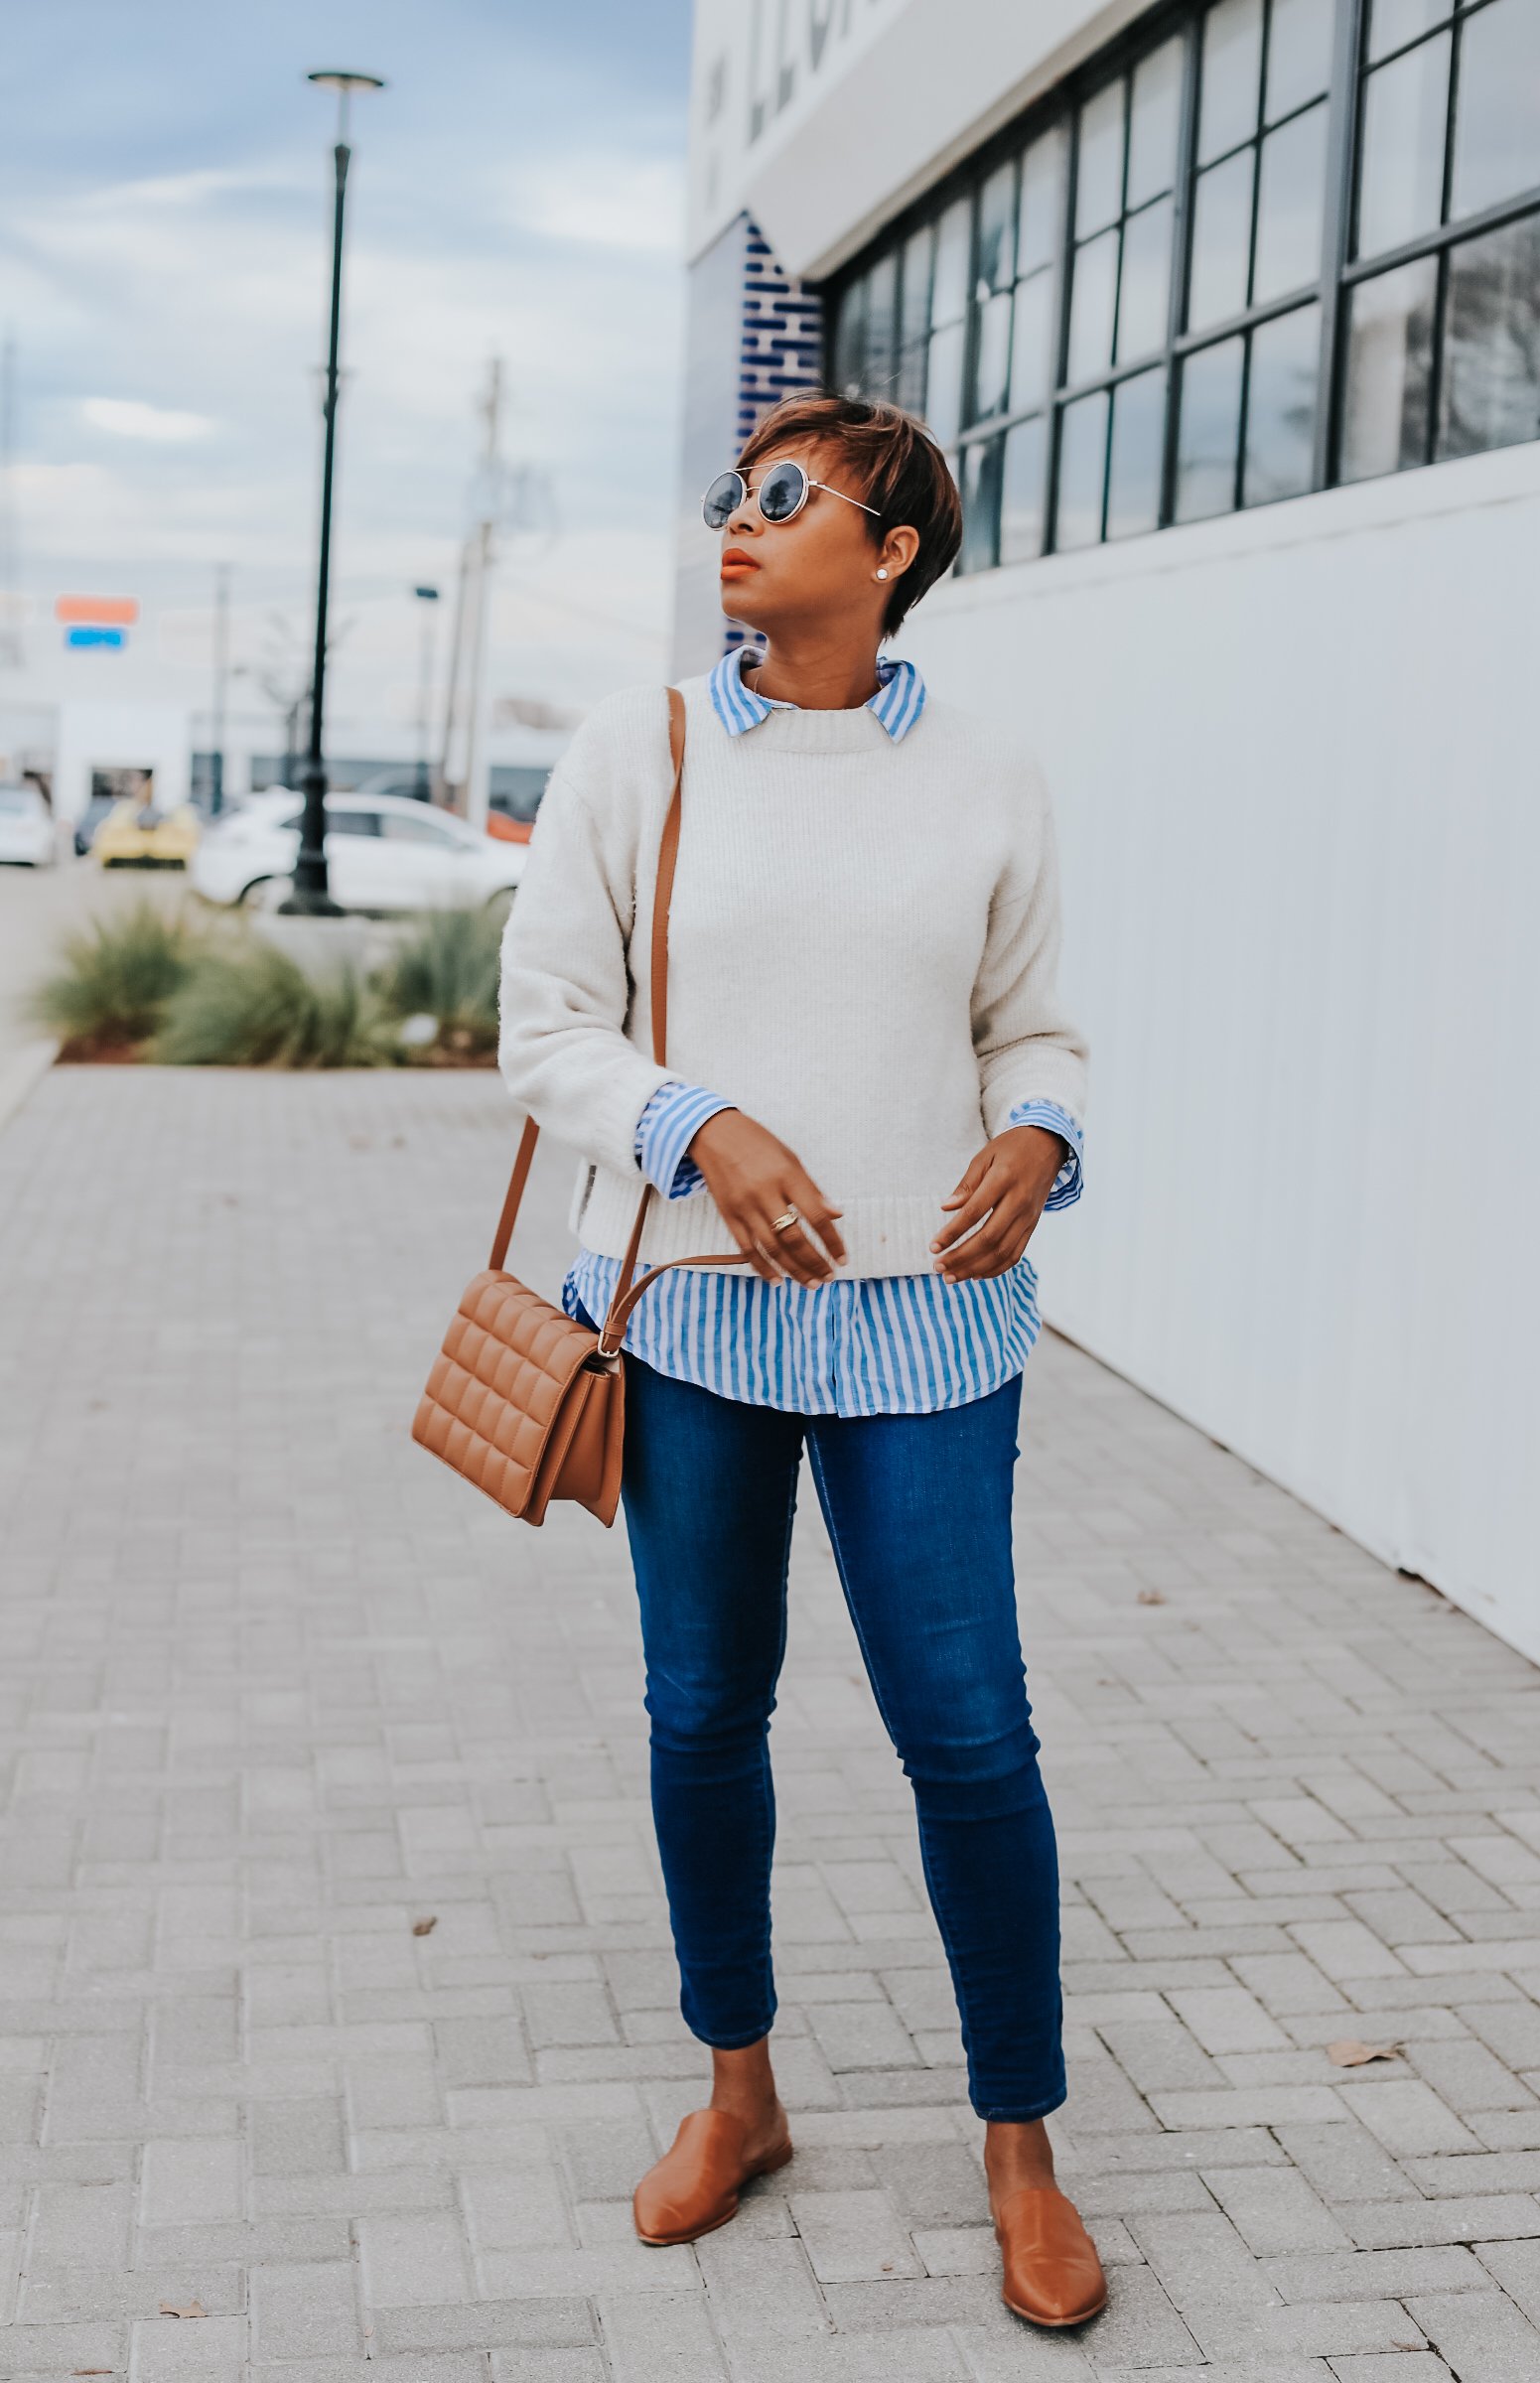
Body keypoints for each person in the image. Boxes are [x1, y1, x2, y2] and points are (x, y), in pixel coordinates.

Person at [498, 392, 1104, 2331]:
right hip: (686, 1322)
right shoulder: (644, 746)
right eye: (728, 501)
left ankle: (1019, 2142)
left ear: (893, 545)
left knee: (968, 1735)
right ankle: (736, 2091)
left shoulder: (988, 772)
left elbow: (1035, 1027)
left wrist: (1036, 1137)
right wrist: (698, 1123)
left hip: (927, 1327)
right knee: (703, 1715)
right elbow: (544, 1029)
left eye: (780, 500)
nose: (733, 530)